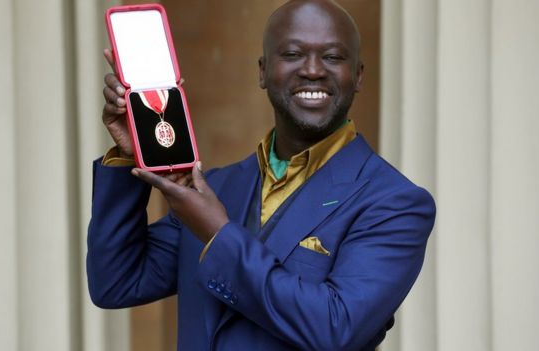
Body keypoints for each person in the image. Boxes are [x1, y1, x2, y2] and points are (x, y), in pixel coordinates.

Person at [87, 0, 436, 350]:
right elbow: (116, 282)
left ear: (358, 75)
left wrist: (217, 233)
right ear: (263, 72)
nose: (313, 70)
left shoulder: (396, 203)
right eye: (293, 54)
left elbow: (336, 328)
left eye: (332, 57)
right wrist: (127, 157)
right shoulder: (216, 188)